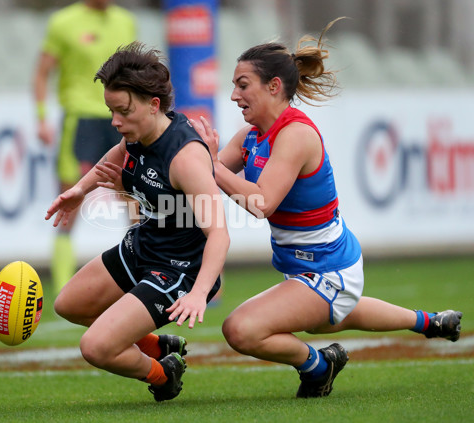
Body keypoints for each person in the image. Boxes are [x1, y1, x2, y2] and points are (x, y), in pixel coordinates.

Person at [190, 19, 463, 398]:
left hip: (327, 269)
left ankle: (319, 366)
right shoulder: (252, 136)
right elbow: (205, 178)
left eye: (242, 85)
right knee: (331, 317)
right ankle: (428, 322)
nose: (234, 95)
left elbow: (261, 203)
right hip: (311, 267)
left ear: (273, 87)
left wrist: (212, 165)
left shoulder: (296, 135)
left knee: (240, 329)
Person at [45, 42, 230, 401]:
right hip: (145, 246)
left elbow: (219, 234)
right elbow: (115, 155)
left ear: (153, 104)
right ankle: (159, 347)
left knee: (96, 347)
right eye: (111, 111)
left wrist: (198, 293)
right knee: (70, 305)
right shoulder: (138, 133)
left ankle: (164, 375)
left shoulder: (185, 158)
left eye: (123, 111)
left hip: (179, 268)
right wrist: (81, 190)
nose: (115, 122)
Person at [34, 0, 136, 292]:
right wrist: (41, 118)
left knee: (134, 197)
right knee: (70, 198)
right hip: (80, 120)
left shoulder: (125, 21)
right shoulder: (63, 22)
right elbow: (42, 72)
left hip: (122, 119)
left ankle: (142, 272)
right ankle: (64, 286)